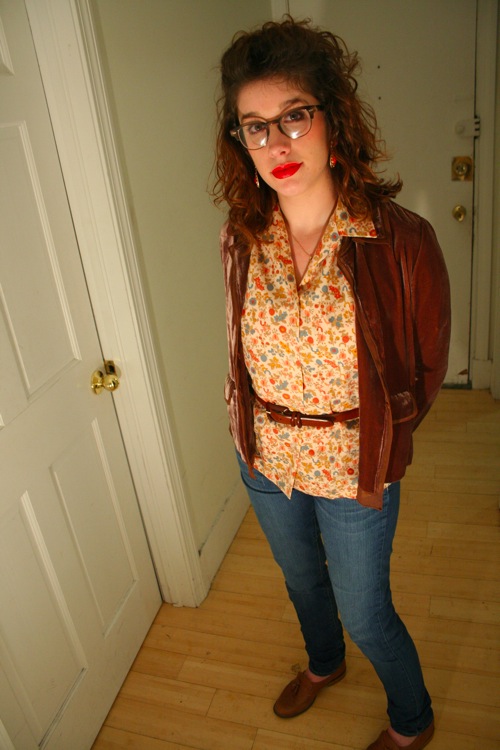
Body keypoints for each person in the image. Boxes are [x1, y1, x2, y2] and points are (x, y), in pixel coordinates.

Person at [213, 17, 450, 750]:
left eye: (295, 116)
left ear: (333, 118)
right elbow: (238, 345)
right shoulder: (241, 235)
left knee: (367, 611)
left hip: (354, 468)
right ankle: (324, 663)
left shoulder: (400, 239)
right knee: (301, 583)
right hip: (266, 460)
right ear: (239, 141)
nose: (277, 145)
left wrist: (379, 437)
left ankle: (412, 721)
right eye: (255, 127)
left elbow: (425, 369)